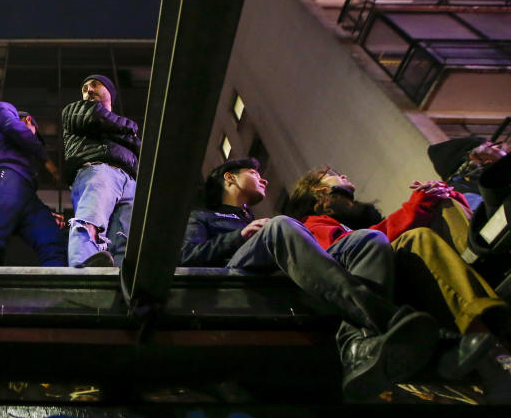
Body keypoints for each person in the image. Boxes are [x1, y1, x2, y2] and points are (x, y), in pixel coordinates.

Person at [181, 158, 439, 400]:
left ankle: (358, 347)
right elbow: (186, 256)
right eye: (253, 173)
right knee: (280, 224)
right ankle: (387, 318)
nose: (264, 180)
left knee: (368, 240)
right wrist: (239, 237)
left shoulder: (254, 219)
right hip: (235, 276)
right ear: (230, 178)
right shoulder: (203, 216)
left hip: (279, 279)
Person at [288, 166, 511, 382]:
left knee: (444, 201)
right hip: (380, 293)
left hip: (403, 278)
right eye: (334, 175)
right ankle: (486, 335)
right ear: (318, 192)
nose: (344, 175)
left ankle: (483, 260)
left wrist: (437, 193)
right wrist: (418, 204)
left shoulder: (351, 221)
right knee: (417, 237)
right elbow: (358, 248)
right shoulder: (311, 226)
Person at [0, 102, 66, 266]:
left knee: (52, 239)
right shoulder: (3, 109)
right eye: (35, 134)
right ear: (28, 120)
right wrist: (48, 162)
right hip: (6, 177)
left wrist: (45, 213)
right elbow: (16, 130)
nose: (34, 139)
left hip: (22, 191)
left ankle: (55, 287)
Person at [62, 74, 140, 268]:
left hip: (130, 181)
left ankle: (122, 283)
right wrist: (129, 127)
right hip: (97, 170)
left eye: (95, 85)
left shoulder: (117, 127)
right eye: (85, 88)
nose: (88, 90)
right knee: (90, 221)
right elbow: (94, 117)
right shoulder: (74, 110)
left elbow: (139, 149)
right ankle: (82, 270)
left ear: (110, 92)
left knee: (126, 238)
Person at [428, 136, 508, 213]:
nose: (505, 150)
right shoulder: (460, 193)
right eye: (495, 146)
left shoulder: (489, 183)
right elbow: (490, 220)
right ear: (474, 157)